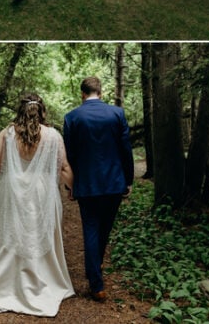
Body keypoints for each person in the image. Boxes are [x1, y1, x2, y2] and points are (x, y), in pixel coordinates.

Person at [0, 93, 75, 316]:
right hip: (42, 192)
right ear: (42, 110)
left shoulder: (7, 133)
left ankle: (5, 281)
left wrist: (9, 172)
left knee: (11, 233)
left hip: (12, 191)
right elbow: (64, 167)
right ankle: (38, 279)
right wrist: (71, 189)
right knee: (38, 233)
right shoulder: (53, 136)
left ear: (20, 110)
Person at [63, 76, 134, 302]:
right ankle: (96, 272)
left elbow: (70, 154)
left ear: (82, 94)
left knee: (91, 229)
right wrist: (128, 180)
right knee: (104, 229)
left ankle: (96, 281)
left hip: (87, 184)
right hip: (114, 183)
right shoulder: (117, 114)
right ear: (100, 93)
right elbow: (126, 150)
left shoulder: (72, 117)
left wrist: (70, 184)